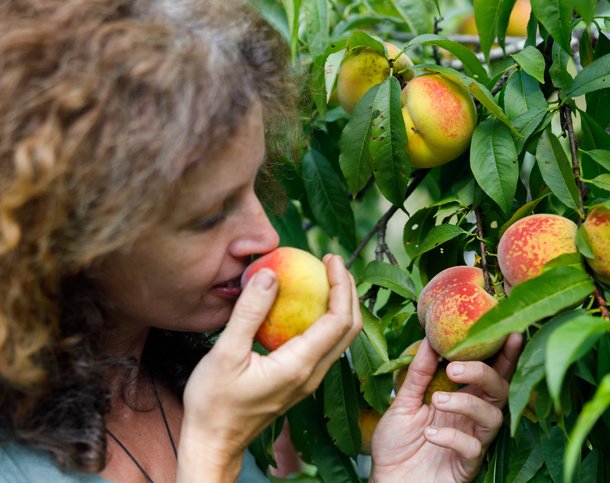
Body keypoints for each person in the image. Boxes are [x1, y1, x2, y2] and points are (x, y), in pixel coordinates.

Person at [0, 1, 523, 482]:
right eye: (207, 218)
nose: (266, 237)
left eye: (253, 184)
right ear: (67, 233)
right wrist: (215, 450)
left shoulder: (196, 380)